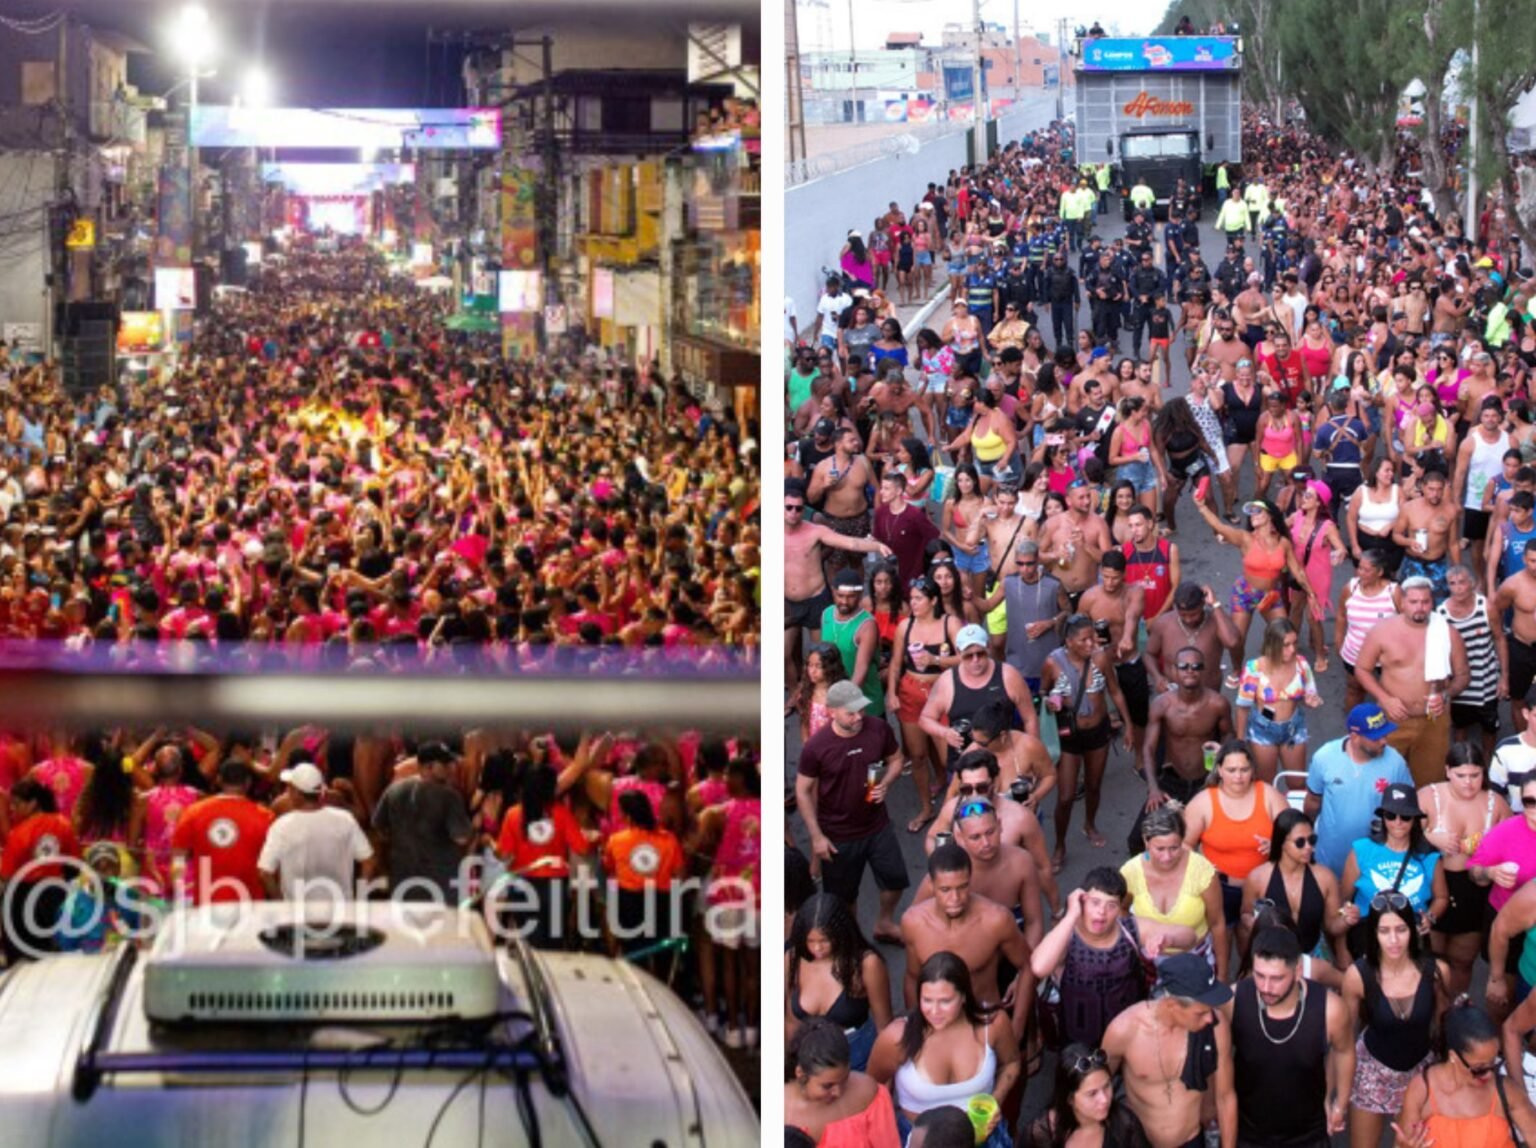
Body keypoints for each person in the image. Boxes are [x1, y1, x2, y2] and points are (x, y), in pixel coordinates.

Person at [869, 950, 1023, 1146]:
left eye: (945, 1001)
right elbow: (873, 1088)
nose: (934, 1011)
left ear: (964, 996)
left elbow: (1012, 1063)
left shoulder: (993, 1024)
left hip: (981, 1136)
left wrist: (995, 1101)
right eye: (927, 1000)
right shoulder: (897, 1037)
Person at [796, 679, 907, 943]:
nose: (859, 717)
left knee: (895, 880)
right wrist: (817, 837)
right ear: (832, 711)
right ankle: (853, 939)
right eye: (851, 712)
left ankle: (884, 923)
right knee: (844, 898)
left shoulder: (878, 729)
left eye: (861, 709)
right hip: (838, 834)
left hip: (877, 825)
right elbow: (802, 790)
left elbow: (897, 759)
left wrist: (888, 782)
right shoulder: (817, 746)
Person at [1228, 927, 1355, 1148]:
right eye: (1259, 975)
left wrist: (1339, 1104)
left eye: (1276, 978)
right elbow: (1217, 1059)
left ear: (1297, 972)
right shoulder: (1234, 1000)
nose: (1266, 988)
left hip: (1308, 1134)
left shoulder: (1330, 1010)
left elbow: (1344, 1051)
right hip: (1249, 1132)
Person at [1340, 898, 1449, 1148]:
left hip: (1420, 1073)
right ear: (1373, 934)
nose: (1393, 940)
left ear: (1413, 929)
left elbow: (1445, 1029)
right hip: (1372, 1072)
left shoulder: (1436, 972)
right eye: (1384, 931)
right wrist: (1339, 1093)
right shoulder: (1357, 976)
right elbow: (1344, 1041)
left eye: (1401, 929)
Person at [1101, 952, 1237, 1148]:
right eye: (1200, 1013)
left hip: (1191, 1140)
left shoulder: (1216, 1026)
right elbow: (1096, 1084)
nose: (1210, 1018)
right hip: (1139, 1141)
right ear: (1172, 1005)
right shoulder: (1124, 1031)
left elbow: (1225, 1097)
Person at [900, 844, 1034, 1041]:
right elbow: (912, 977)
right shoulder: (913, 923)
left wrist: (1017, 1028)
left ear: (970, 881)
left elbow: (1027, 967)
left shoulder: (995, 920)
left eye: (962, 887)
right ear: (931, 885)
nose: (955, 898)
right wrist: (916, 1029)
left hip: (985, 1024)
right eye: (945, 889)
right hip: (936, 1028)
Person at [1353, 576, 1470, 787]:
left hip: (1434, 720)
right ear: (1402, 603)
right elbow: (1362, 669)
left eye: (1425, 602)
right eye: (1414, 602)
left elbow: (1462, 677)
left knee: (1430, 783)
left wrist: (1445, 695)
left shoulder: (1446, 632)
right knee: (1382, 780)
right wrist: (1385, 699)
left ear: (1432, 602)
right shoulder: (1382, 631)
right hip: (1392, 719)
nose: (1420, 607)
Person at [1043, 614, 1133, 870]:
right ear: (1069, 642)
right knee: (1065, 796)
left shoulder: (1101, 658)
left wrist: (1126, 724)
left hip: (1098, 733)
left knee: (1094, 785)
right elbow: (1041, 693)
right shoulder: (1052, 663)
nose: (1092, 643)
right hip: (1069, 736)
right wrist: (1051, 702)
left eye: (1093, 637)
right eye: (1085, 639)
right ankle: (1060, 845)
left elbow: (1114, 690)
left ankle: (1089, 824)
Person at [1419, 744, 1510, 997]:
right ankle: (1433, 1012)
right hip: (1435, 885)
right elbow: (1401, 836)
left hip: (1474, 890)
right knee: (1431, 961)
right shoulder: (1428, 796)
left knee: (1462, 962)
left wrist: (1488, 854)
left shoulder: (1496, 804)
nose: (1469, 783)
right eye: (1461, 776)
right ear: (1448, 771)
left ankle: (1456, 1008)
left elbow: (1511, 845)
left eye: (1475, 775)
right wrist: (1430, 837)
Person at [785, 478, 893, 689]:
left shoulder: (814, 530)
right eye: (788, 507)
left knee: (825, 655)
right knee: (783, 655)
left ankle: (826, 695)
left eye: (798, 509)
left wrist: (876, 546)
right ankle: (795, 696)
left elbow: (849, 542)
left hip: (816, 600)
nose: (793, 513)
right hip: (788, 602)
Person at [1029, 869, 1149, 1051]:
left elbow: (1187, 936)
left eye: (1111, 905)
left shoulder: (1130, 929)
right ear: (1082, 901)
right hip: (1078, 1034)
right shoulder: (1066, 936)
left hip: (1124, 1029)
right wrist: (1071, 916)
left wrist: (1165, 941)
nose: (1102, 912)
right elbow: (1038, 967)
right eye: (1095, 902)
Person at [1397, 1003, 1536, 1148]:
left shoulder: (1505, 1091)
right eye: (1479, 1069)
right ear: (1453, 1057)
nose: (1490, 1075)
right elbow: (1403, 1142)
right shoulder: (1421, 1091)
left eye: (1493, 1064)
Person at [912, 799, 1044, 949]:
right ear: (960, 837)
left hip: (1009, 948)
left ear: (1000, 826)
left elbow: (1034, 922)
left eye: (990, 832)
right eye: (975, 837)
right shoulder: (946, 872)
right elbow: (913, 920)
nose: (986, 843)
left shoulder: (1022, 862)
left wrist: (1027, 965)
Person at [1184, 741, 1290, 927]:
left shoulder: (1269, 795)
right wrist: (1200, 866)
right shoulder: (1203, 803)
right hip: (1219, 887)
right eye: (1231, 770)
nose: (1238, 777)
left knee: (1253, 940)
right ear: (1219, 770)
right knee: (1220, 935)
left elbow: (1294, 833)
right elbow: (1184, 846)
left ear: (1253, 770)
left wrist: (1278, 843)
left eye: (1244, 769)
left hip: (1263, 887)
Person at [1338, 783, 1449, 961]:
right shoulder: (1361, 849)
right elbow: (1343, 898)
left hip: (1412, 931)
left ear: (1414, 820)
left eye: (1405, 817)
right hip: (1369, 932)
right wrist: (1348, 913)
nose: (1397, 822)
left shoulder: (1429, 856)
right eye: (1391, 815)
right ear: (1383, 818)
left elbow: (1441, 897)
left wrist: (1430, 917)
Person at [787, 893, 894, 1072]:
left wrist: (886, 1078)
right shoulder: (792, 959)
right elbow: (790, 1022)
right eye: (810, 941)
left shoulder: (867, 964)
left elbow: (884, 1026)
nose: (817, 948)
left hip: (857, 1058)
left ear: (841, 934)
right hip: (807, 1059)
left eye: (824, 940)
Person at [890, 575, 962, 833]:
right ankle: (926, 807)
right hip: (911, 691)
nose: (913, 603)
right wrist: (892, 693)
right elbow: (896, 664)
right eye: (911, 599)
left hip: (941, 692)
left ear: (933, 600)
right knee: (918, 756)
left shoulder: (949, 623)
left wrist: (935, 660)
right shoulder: (904, 627)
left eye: (918, 599)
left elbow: (968, 656)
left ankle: (954, 810)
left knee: (948, 758)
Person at [1305, 702, 1413, 873]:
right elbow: (1313, 801)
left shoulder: (1396, 762)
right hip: (1331, 858)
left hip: (1377, 858)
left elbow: (1407, 806)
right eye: (1376, 737)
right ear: (1355, 737)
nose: (1383, 741)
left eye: (1385, 734)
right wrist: (1307, 833)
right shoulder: (1324, 757)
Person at [919, 623, 1039, 777]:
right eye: (968, 656)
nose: (975, 660)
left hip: (1005, 762)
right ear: (958, 652)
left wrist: (1033, 758)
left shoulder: (1008, 676)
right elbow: (925, 718)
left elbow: (1030, 719)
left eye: (980, 653)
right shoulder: (947, 681)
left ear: (988, 647)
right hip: (965, 767)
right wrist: (945, 733)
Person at [1122, 806, 1229, 978]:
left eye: (1174, 848)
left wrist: (1222, 976)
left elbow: (1217, 924)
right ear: (1146, 841)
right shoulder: (1130, 872)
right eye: (1160, 849)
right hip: (1147, 964)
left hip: (1195, 959)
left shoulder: (1202, 871)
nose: (1167, 857)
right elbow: (1121, 912)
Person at [494, 761, 591, 950]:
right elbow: (582, 849)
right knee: (552, 945)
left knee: (529, 943)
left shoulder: (513, 814)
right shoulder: (561, 813)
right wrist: (592, 838)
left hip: (521, 885)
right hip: (554, 886)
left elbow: (504, 854)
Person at [256, 763, 377, 902]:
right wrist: (359, 899)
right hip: (341, 913)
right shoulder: (345, 819)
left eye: (289, 788)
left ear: (296, 793)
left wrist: (283, 904)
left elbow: (265, 873)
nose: (287, 791)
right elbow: (370, 862)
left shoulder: (282, 826)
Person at [1140, 646, 1234, 824]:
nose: (1190, 670)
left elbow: (1229, 734)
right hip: (1171, 780)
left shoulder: (1218, 704)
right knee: (1137, 839)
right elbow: (1148, 748)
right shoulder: (1162, 704)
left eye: (1196, 666)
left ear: (1203, 670)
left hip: (1207, 780)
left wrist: (1221, 756)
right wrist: (1153, 788)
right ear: (1174, 670)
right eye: (1184, 666)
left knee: (1209, 835)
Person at [371, 740, 473, 901]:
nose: (450, 768)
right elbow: (461, 838)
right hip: (441, 885)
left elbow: (379, 828)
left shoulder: (394, 790)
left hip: (403, 880)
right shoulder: (449, 796)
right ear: (428, 767)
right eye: (445, 764)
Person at [1239, 809, 1345, 958]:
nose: (1309, 847)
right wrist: (1254, 923)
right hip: (1272, 956)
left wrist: (1346, 920)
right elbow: (1245, 915)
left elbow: (1331, 926)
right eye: (1300, 842)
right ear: (1281, 842)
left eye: (1312, 840)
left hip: (1312, 952)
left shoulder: (1325, 878)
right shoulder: (1258, 878)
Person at [784, 1019, 902, 1148]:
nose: (838, 1092)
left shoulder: (867, 1094)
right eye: (827, 1086)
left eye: (845, 1080)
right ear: (801, 1074)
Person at [170, 758, 274, 904]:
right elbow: (270, 868)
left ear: (219, 780)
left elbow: (178, 858)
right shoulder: (265, 816)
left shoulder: (193, 812)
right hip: (250, 905)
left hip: (205, 903)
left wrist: (180, 890)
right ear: (248, 782)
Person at [0, 778, 80, 961]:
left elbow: (5, 875)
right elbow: (74, 864)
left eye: (16, 804)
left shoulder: (18, 834)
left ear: (33, 803)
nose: (12, 809)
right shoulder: (64, 823)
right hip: (58, 895)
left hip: (24, 900)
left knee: (24, 957)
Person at [1235, 619, 1324, 784]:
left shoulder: (1301, 664)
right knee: (1265, 785)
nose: (1292, 649)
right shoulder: (1254, 668)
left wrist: (1310, 701)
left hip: (1293, 728)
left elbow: (1308, 695)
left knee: (1297, 784)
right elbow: (1243, 707)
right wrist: (1240, 743)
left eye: (1295, 643)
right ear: (1272, 645)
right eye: (1286, 645)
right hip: (1263, 730)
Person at [1024, 1041, 1151, 1148]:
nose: (1104, 1099)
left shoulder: (1125, 1125)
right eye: (1092, 1093)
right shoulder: (1042, 1133)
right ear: (1070, 1099)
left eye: (1107, 1086)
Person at [1437, 564, 1503, 758]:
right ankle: (1461, 761)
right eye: (1452, 583)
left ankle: (1488, 762)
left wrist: (1504, 677)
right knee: (1460, 725)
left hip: (1487, 679)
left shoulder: (1486, 607)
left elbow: (1499, 638)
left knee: (1489, 727)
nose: (1457, 587)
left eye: (1462, 582)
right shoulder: (1442, 614)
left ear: (1471, 584)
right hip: (1459, 682)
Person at [1335, 551, 1404, 713]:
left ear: (1379, 572)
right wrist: (1339, 641)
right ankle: (1354, 728)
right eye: (1360, 568)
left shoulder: (1393, 592)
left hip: (1386, 656)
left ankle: (1390, 730)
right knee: (1354, 688)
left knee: (1391, 692)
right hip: (1355, 652)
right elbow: (1340, 615)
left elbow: (1405, 621)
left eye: (1366, 570)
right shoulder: (1350, 588)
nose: (1360, 573)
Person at [1144, 582, 1241, 695]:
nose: (1188, 620)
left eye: (1194, 614)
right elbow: (1149, 654)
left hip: (1208, 698)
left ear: (1203, 604)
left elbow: (1232, 642)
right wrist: (1157, 677)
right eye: (1183, 615)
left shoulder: (1216, 622)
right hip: (1172, 697)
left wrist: (1215, 604)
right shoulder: (1163, 623)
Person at [821, 569, 886, 717]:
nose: (844, 601)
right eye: (840, 596)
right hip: (835, 700)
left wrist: (843, 707)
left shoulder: (866, 625)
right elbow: (822, 656)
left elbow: (860, 672)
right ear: (833, 591)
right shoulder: (826, 614)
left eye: (851, 597)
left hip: (864, 702)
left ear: (860, 594)